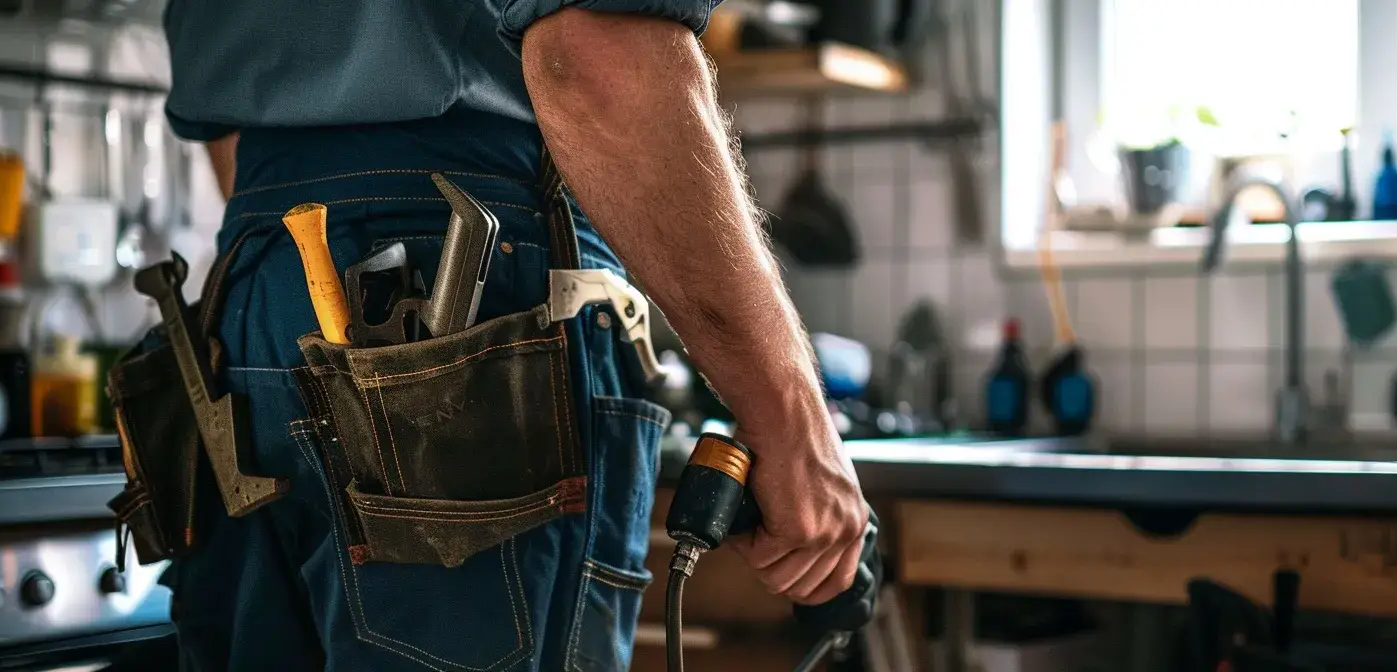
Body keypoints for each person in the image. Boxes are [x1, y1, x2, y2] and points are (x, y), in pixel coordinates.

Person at [157, 2, 869, 670]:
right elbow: (594, 56)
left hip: (250, 284)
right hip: (482, 273)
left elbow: (229, 135)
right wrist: (794, 430)